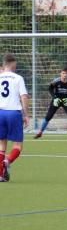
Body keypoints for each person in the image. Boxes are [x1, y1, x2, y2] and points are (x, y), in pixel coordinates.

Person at [0, 54, 29, 182]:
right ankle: (8, 161)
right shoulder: (18, 78)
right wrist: (26, 114)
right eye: (15, 65)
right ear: (11, 64)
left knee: (2, 145)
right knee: (17, 145)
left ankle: (1, 175)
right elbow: (24, 96)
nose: (16, 67)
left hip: (0, 113)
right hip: (13, 113)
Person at [34, 68, 67, 139]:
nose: (64, 75)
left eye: (66, 74)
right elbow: (50, 88)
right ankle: (40, 132)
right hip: (56, 100)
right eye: (63, 73)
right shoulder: (56, 81)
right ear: (60, 74)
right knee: (48, 116)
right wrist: (54, 97)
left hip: (65, 100)